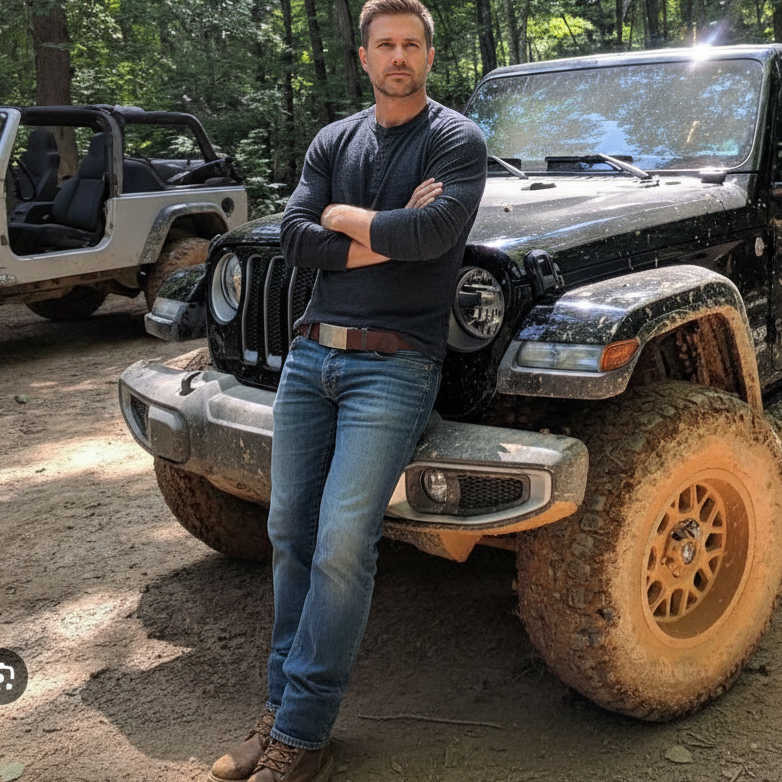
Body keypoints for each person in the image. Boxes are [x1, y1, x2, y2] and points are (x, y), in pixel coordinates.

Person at [209, 1, 486, 779]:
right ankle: (276, 713)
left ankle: (301, 734)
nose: (398, 56)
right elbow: (298, 240)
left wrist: (346, 219)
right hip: (310, 359)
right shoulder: (334, 140)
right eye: (384, 44)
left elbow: (434, 236)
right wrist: (379, 229)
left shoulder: (457, 139)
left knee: (340, 543)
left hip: (394, 367)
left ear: (429, 56)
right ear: (363, 57)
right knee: (289, 532)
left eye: (411, 44)